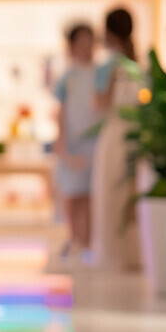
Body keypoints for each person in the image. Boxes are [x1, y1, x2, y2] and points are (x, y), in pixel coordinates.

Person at [90, 7, 142, 270]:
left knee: (111, 193)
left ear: (109, 31)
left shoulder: (110, 65)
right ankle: (134, 253)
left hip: (115, 135)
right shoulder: (137, 64)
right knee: (131, 193)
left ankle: (114, 254)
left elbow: (100, 104)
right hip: (137, 135)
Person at [53, 23, 101, 262]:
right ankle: (74, 238)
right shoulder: (66, 78)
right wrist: (61, 145)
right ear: (71, 46)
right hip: (72, 144)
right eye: (81, 42)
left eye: (89, 41)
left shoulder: (100, 73)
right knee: (72, 194)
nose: (86, 46)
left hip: (95, 144)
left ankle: (88, 242)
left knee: (90, 195)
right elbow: (60, 113)